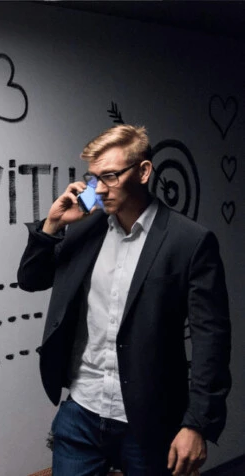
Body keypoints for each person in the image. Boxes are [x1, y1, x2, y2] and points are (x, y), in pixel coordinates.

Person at [17, 125, 231, 475]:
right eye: (94, 177)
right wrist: (52, 225)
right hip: (81, 412)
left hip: (150, 419)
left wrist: (197, 424)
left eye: (111, 176)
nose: (99, 189)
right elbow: (30, 279)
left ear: (144, 171)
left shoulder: (189, 241)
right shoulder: (86, 227)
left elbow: (212, 340)